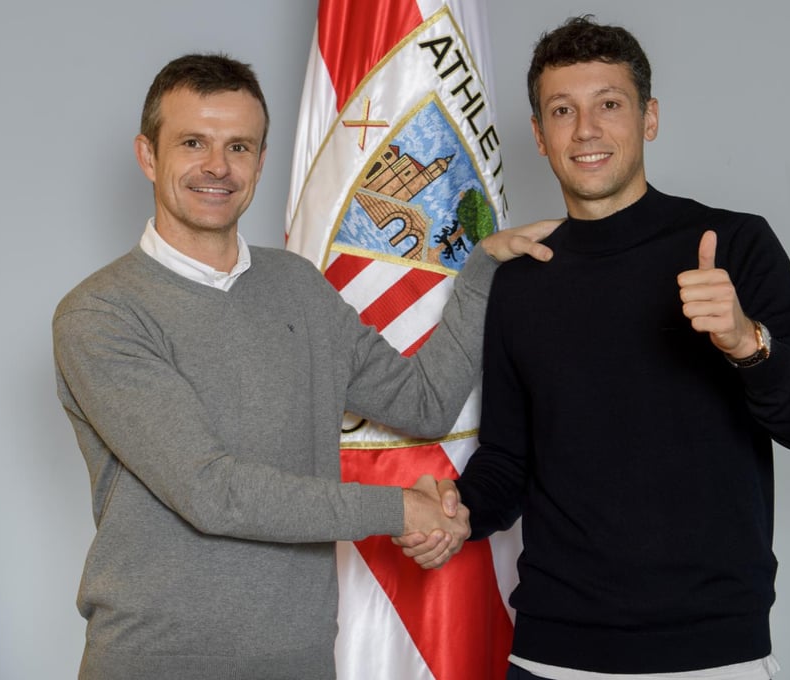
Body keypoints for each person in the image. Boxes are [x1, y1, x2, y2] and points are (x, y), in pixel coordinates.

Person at [52, 53, 554, 680]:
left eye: (239, 146)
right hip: (154, 661)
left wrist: (480, 273)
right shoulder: (101, 313)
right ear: (148, 156)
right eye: (192, 143)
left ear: (261, 161)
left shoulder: (297, 285)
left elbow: (424, 404)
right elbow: (213, 492)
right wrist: (401, 509)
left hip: (302, 659)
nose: (217, 166)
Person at [396, 15, 790, 680]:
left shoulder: (733, 245)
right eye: (562, 111)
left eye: (608, 104)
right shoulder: (519, 282)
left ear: (648, 118)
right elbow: (508, 461)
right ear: (540, 136)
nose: (585, 130)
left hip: (711, 654)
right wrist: (460, 513)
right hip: (551, 653)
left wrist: (746, 342)